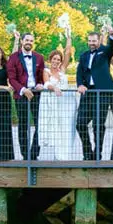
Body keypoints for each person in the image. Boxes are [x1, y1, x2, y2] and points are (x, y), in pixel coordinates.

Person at [75, 26, 113, 161]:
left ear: (99, 41)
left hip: (103, 93)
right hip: (88, 93)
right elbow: (79, 73)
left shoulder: (105, 52)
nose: (91, 43)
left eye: (94, 41)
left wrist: (112, 35)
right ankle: (87, 151)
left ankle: (97, 153)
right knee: (80, 123)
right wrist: (80, 84)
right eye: (89, 41)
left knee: (98, 125)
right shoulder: (84, 56)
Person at [37, 33, 76, 161]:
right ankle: (53, 155)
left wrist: (68, 38)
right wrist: (55, 88)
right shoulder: (46, 71)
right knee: (54, 127)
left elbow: (68, 53)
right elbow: (47, 83)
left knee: (64, 127)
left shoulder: (62, 70)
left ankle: (63, 155)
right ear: (50, 60)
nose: (56, 61)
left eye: (58, 60)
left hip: (64, 102)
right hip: (52, 102)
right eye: (54, 59)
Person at [7, 32, 45, 161]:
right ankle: (25, 155)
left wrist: (40, 84)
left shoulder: (39, 57)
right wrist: (23, 90)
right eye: (27, 40)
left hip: (36, 94)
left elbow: (41, 76)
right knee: (23, 125)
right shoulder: (13, 57)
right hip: (21, 95)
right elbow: (11, 79)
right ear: (22, 41)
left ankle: (33, 153)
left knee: (40, 124)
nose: (29, 42)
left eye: (31, 40)